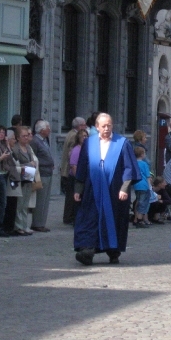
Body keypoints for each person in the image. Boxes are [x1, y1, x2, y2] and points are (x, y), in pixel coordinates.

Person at [73, 113, 141, 266]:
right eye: (103, 126)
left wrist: (124, 188)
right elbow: (82, 166)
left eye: (109, 125)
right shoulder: (89, 143)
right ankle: (87, 250)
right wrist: (78, 189)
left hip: (115, 191)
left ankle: (113, 252)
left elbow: (129, 167)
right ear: (97, 127)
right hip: (92, 190)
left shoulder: (122, 143)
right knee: (89, 219)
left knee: (114, 221)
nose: (106, 128)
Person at [11, 126, 38, 236]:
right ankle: (18, 226)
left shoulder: (28, 147)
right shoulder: (15, 149)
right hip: (19, 177)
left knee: (26, 202)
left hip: (28, 176)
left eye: (27, 135)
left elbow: (33, 160)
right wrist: (28, 164)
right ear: (18, 137)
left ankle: (24, 224)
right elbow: (15, 164)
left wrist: (33, 164)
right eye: (24, 136)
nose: (26, 138)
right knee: (20, 203)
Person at [29, 120, 54, 233]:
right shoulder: (35, 141)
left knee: (45, 200)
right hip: (42, 173)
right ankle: (37, 223)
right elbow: (33, 157)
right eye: (47, 128)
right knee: (40, 199)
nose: (49, 130)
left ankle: (41, 222)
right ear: (42, 130)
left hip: (48, 172)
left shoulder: (44, 140)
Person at [61, 117, 87, 225]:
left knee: (70, 196)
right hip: (70, 171)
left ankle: (69, 216)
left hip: (68, 170)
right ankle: (70, 217)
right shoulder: (74, 137)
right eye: (84, 125)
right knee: (72, 196)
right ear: (80, 126)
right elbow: (72, 157)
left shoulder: (70, 133)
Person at [133, 146, 152, 228]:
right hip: (144, 185)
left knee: (138, 201)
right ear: (141, 154)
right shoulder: (144, 164)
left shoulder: (134, 163)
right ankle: (140, 220)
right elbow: (148, 176)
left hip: (136, 185)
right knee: (143, 203)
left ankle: (136, 218)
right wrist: (150, 186)